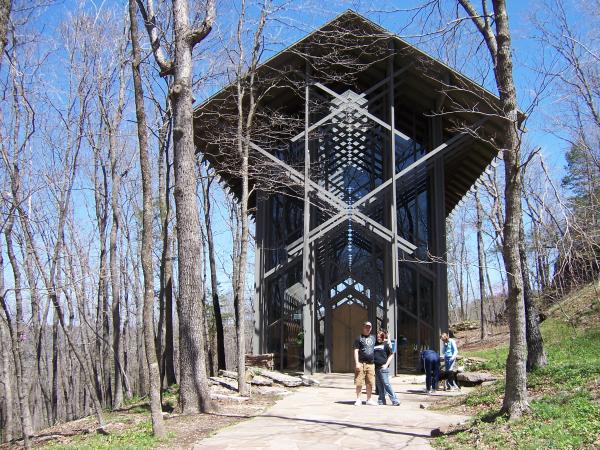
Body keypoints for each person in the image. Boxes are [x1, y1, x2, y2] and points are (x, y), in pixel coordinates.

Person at [353, 321, 378, 406]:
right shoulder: (358, 338)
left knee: (370, 382)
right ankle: (358, 399)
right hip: (361, 363)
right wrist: (357, 363)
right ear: (363, 327)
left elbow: (382, 341)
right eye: (366, 327)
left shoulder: (374, 338)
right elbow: (356, 350)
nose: (368, 328)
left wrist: (388, 339)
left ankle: (369, 399)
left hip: (371, 364)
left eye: (369, 327)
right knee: (359, 382)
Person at [374, 330, 400, 406]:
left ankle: (395, 400)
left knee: (386, 383)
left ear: (384, 337)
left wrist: (386, 365)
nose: (379, 338)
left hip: (383, 368)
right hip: (376, 368)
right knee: (379, 384)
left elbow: (391, 353)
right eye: (378, 336)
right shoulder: (375, 344)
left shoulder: (386, 344)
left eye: (381, 336)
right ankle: (381, 400)